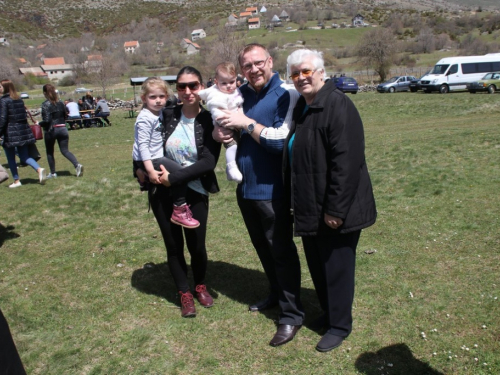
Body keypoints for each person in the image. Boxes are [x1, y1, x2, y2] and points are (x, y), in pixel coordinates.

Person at [284, 49, 376, 352]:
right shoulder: (305, 108)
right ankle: (329, 313)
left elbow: (346, 163)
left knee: (336, 268)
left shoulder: (338, 105)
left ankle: (340, 325)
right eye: (295, 74)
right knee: (319, 265)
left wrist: (336, 210)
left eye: (306, 71)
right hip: (311, 206)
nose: (301, 78)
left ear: (321, 72)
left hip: (337, 209)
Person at [213, 43, 303, 347]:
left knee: (281, 251)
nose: (253, 69)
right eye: (247, 66)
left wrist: (245, 123)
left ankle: (292, 315)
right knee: (263, 249)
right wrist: (224, 132)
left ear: (270, 61)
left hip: (273, 191)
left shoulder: (286, 94)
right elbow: (236, 131)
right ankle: (276, 294)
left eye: (258, 63)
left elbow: (279, 142)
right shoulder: (243, 95)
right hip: (246, 189)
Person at [148, 66, 221, 318]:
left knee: (197, 246)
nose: (188, 91)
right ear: (176, 89)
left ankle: (200, 286)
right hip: (163, 193)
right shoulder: (165, 114)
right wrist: (140, 169)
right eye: (182, 86)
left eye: (193, 85)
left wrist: (173, 178)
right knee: (173, 246)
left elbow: (208, 162)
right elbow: (144, 145)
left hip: (195, 191)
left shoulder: (210, 119)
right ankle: (184, 293)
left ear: (202, 86)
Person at [132, 76, 199, 228]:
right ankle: (179, 209)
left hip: (153, 156)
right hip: (152, 158)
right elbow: (141, 145)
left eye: (162, 96)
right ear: (144, 98)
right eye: (153, 97)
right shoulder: (145, 118)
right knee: (180, 175)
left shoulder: (159, 112)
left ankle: (143, 181)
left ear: (167, 97)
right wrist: (149, 170)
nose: (158, 100)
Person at [198, 62, 244, 183]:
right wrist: (230, 121)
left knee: (238, 146)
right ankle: (231, 166)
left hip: (236, 123)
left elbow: (238, 106)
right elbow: (216, 111)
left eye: (232, 82)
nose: (229, 86)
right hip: (226, 124)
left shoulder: (234, 91)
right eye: (224, 83)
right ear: (216, 82)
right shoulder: (216, 94)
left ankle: (229, 173)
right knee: (232, 145)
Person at [0, 79, 46, 188]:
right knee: (24, 156)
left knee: (11, 158)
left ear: (5, 87)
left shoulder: (3, 101)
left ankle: (16, 180)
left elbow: (2, 119)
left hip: (10, 132)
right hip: (23, 131)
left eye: (0, 86)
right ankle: (39, 169)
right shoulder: (19, 100)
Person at [39, 84, 84, 179]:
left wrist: (39, 123)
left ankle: (53, 173)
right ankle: (77, 165)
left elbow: (47, 120)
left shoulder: (45, 104)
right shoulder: (61, 103)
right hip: (63, 128)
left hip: (51, 130)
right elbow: (66, 115)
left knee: (50, 152)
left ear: (44, 93)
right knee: (65, 150)